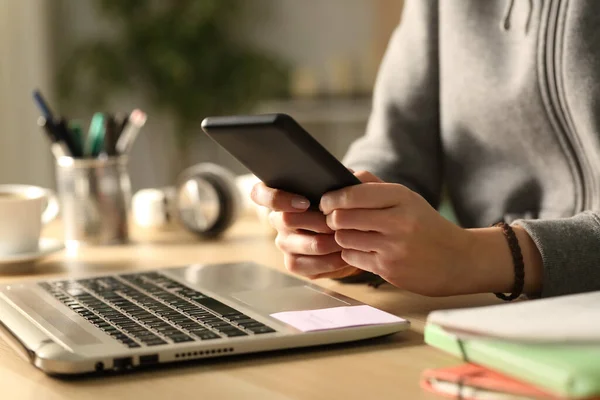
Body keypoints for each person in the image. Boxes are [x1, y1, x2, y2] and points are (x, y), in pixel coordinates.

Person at [251, 0, 600, 299]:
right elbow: (396, 148)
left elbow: (467, 260)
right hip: (485, 312)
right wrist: (353, 230)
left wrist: (472, 258)